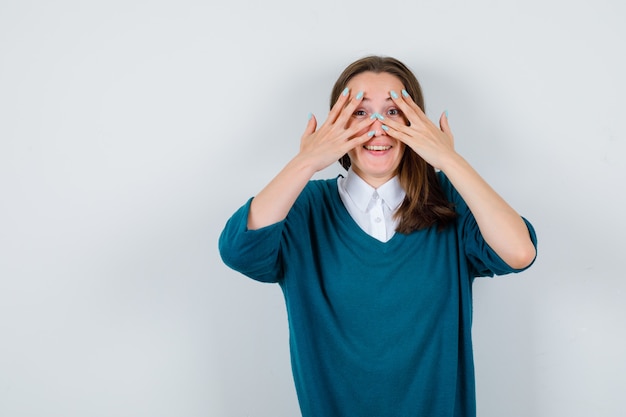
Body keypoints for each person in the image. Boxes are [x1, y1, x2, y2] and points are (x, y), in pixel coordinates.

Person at [218, 55, 537, 417]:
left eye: (393, 112)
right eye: (358, 112)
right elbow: (238, 250)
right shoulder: (302, 209)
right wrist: (305, 162)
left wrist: (449, 160)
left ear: (416, 123)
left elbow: (519, 252)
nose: (377, 127)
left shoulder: (450, 202)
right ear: (334, 126)